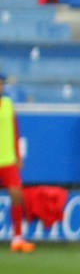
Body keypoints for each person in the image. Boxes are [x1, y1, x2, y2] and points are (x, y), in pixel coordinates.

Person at [1, 71, 31, 254]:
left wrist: (18, 155)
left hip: (7, 160)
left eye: (1, 83)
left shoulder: (8, 104)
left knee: (17, 196)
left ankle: (17, 238)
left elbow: (14, 131)